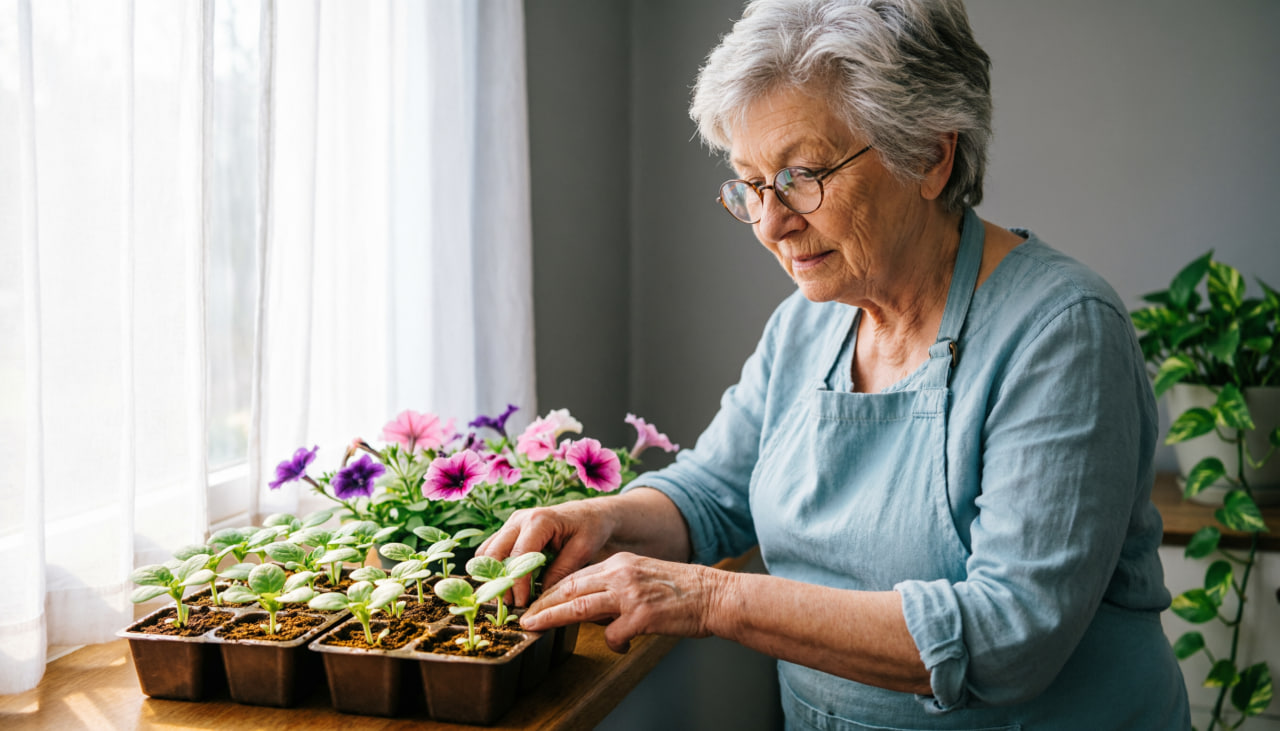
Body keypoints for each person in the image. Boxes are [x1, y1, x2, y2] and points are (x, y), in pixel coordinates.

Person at [480, 0, 1191, 727]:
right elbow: (714, 492)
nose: (770, 222)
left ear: (929, 155)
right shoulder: (808, 325)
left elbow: (1008, 637)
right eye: (750, 184)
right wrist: (598, 518)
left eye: (801, 176)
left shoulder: (1061, 330)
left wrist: (708, 598)